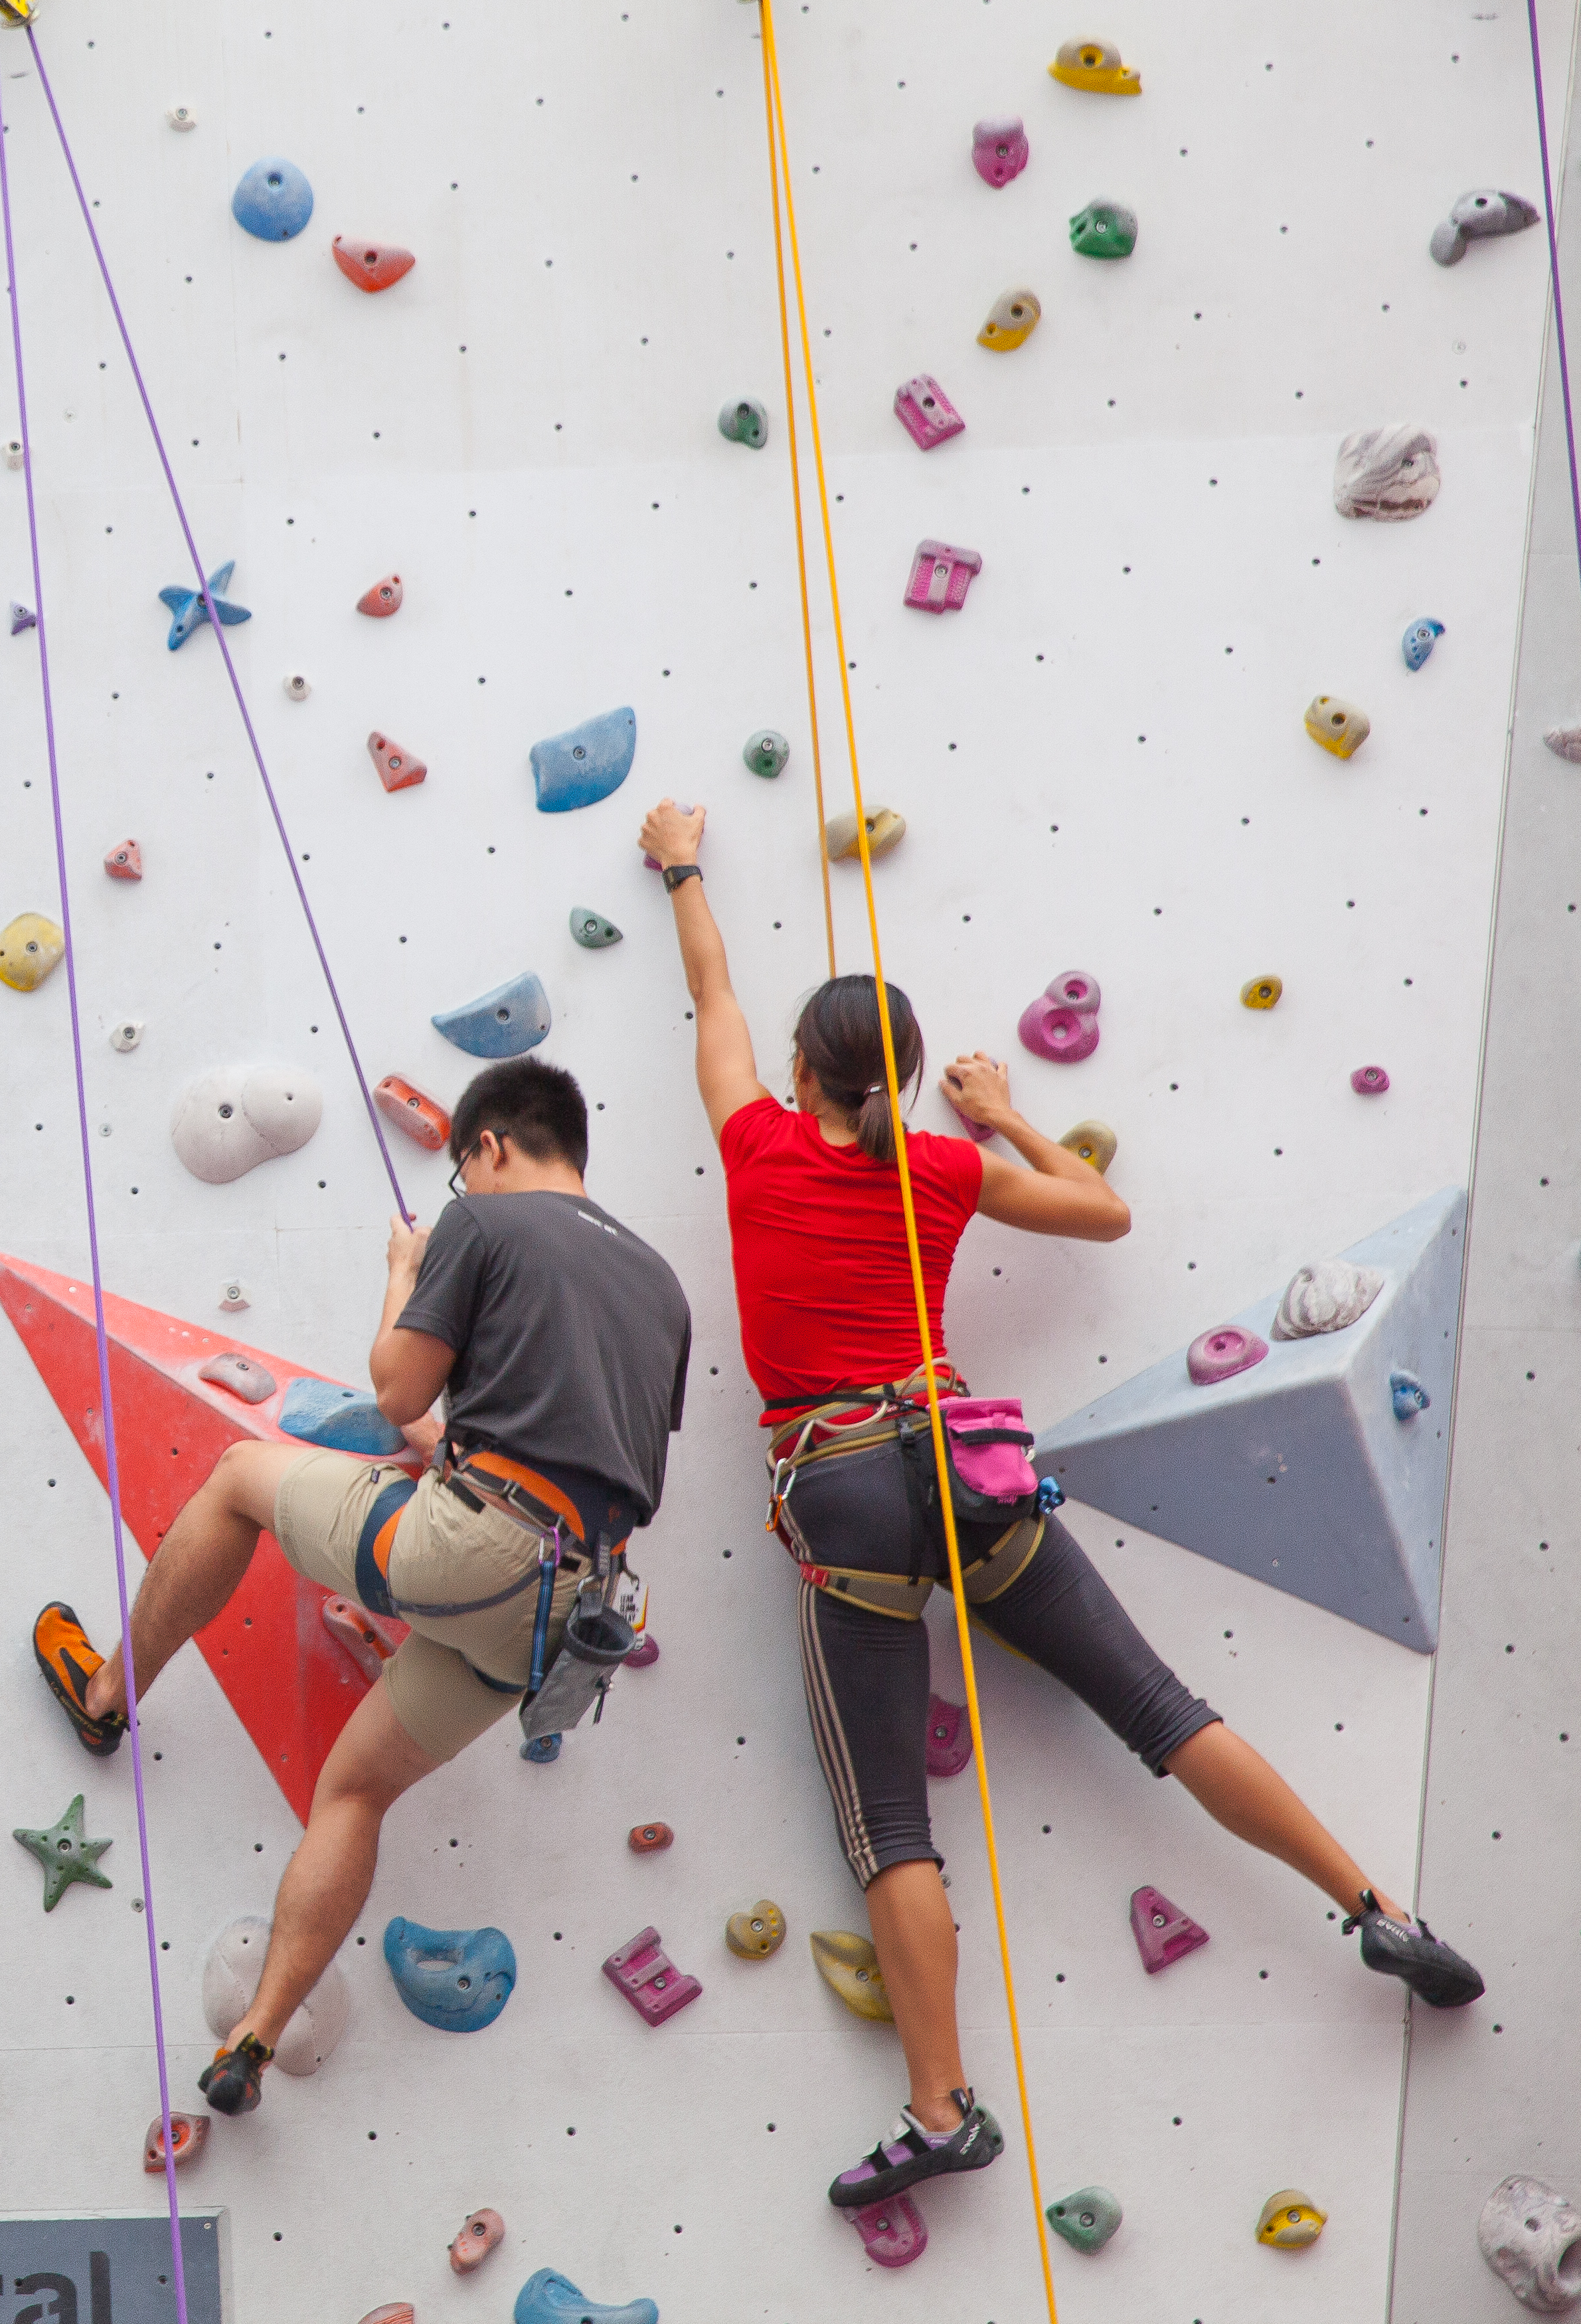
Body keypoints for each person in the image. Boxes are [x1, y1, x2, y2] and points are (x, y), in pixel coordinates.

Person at [636, 794, 1484, 2208]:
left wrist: (681, 866)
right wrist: (1006, 1114)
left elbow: (710, 993)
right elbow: (1103, 1209)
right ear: (908, 1079)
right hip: (959, 1456)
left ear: (797, 1071)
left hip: (841, 1483)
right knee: (1163, 1708)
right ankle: (1379, 1909)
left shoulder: (761, 1143)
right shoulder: (943, 1166)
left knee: (890, 1825)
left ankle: (941, 2108)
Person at [35, 1056, 692, 2120]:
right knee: (355, 1793)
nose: (462, 1193)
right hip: (561, 1615)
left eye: (463, 1173)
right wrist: (455, 1451)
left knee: (238, 1478)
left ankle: (107, 1696)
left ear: (488, 1147)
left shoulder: (487, 1220)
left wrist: (405, 1270)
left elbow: (395, 1388)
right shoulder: (661, 1286)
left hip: (472, 1546)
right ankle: (254, 2037)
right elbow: (570, 1447)